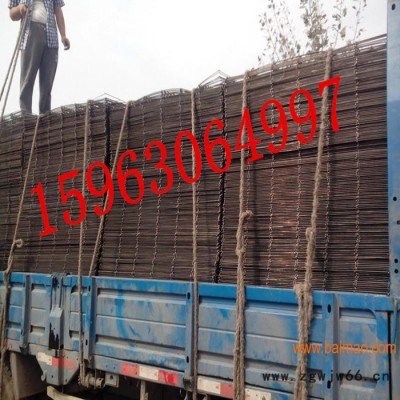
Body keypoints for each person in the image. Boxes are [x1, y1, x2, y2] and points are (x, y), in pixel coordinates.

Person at [8, 0, 70, 114]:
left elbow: (58, 9)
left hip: (51, 36)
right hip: (31, 32)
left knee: (47, 82)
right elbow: (12, 14)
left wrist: (63, 35)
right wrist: (20, 9)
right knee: (28, 78)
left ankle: (45, 115)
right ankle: (26, 114)